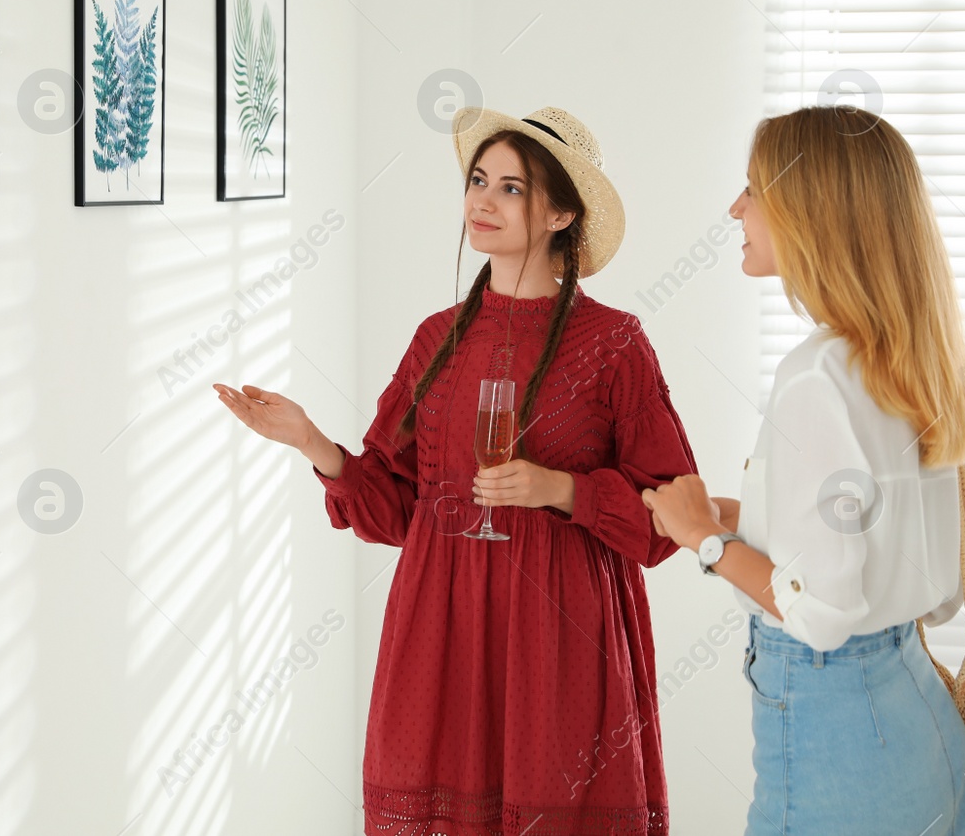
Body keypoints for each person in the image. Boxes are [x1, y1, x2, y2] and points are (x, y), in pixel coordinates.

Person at [216, 106, 696, 835]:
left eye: (510, 187)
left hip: (562, 635)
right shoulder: (436, 339)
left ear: (562, 212)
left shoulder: (616, 344)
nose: (481, 200)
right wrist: (312, 441)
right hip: (441, 631)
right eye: (478, 180)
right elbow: (397, 508)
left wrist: (560, 489)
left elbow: (669, 520)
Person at [642, 104, 965, 836]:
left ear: (811, 213)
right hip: (924, 730)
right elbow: (920, 576)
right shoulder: (920, 365)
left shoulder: (817, 378)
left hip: (841, 746)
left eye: (753, 190)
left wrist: (705, 538)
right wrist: (746, 516)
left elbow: (821, 616)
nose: (735, 208)